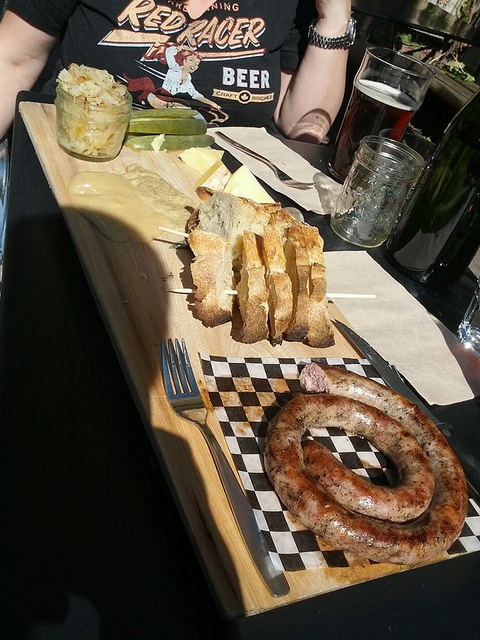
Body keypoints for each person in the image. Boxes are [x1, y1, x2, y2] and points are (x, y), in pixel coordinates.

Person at [0, 0, 352, 142]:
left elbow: (300, 124)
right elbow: (12, 60)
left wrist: (334, 18)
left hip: (211, 200)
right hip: (74, 162)